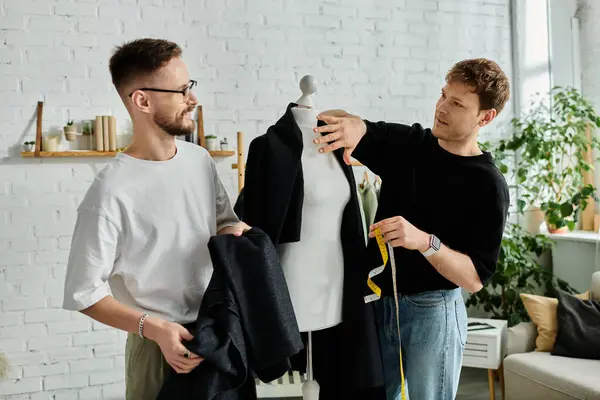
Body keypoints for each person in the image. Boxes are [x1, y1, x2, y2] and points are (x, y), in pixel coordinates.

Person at [62, 38, 250, 400]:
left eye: (189, 87)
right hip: (158, 349)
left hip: (220, 333)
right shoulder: (110, 192)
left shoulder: (199, 161)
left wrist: (237, 233)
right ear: (142, 101)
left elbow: (222, 222)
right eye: (181, 91)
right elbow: (83, 292)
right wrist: (155, 329)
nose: (192, 99)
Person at [313, 58, 511, 400]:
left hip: (433, 313)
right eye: (443, 95)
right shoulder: (410, 144)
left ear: (485, 117)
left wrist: (424, 242)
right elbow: (356, 127)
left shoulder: (488, 184)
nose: (442, 108)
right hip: (378, 304)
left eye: (457, 103)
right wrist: (351, 126)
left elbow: (474, 279)